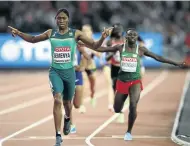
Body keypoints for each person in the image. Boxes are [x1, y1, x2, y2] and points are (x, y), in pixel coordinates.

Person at [8, 8, 111, 146]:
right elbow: (33, 39)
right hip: (55, 72)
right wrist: (19, 33)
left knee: (68, 104)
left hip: (69, 72)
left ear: (68, 20)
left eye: (64, 18)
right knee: (57, 99)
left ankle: (68, 118)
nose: (61, 20)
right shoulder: (51, 33)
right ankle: (57, 135)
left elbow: (94, 46)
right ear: (56, 20)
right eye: (59, 18)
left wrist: (103, 37)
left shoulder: (75, 34)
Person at [91, 29, 186, 141]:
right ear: (126, 37)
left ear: (137, 38)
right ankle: (120, 109)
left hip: (135, 81)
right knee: (116, 109)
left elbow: (158, 57)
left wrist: (175, 63)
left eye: (134, 35)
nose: (132, 36)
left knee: (133, 105)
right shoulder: (120, 47)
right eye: (130, 34)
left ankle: (128, 132)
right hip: (122, 81)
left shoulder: (140, 49)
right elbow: (100, 49)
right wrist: (100, 39)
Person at [104, 24, 145, 124]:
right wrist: (112, 53)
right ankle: (120, 113)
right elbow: (106, 57)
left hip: (125, 67)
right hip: (114, 68)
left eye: (120, 30)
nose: (118, 32)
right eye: (117, 30)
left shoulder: (126, 40)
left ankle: (127, 103)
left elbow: (138, 42)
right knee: (116, 90)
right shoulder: (110, 42)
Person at [70, 42, 90, 134]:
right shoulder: (62, 46)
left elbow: (88, 58)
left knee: (77, 105)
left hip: (78, 75)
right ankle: (70, 125)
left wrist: (83, 66)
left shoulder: (79, 46)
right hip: (67, 75)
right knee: (67, 102)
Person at [81, 24, 101, 107]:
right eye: (84, 31)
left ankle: (92, 95)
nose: (86, 33)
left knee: (92, 86)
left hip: (91, 66)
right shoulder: (79, 42)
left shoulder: (94, 42)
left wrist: (93, 51)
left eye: (87, 31)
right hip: (82, 66)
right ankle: (82, 104)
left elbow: (99, 55)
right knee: (83, 86)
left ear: (91, 32)